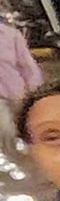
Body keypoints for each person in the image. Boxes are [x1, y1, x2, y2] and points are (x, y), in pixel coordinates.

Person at [0, 16, 42, 150]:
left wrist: (35, 95)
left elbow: (28, 67)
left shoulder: (10, 35)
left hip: (17, 96)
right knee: (7, 136)